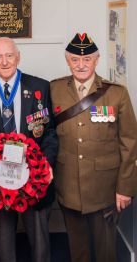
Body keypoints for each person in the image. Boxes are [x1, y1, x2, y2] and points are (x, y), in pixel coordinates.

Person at [50, 32, 137, 262]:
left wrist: (126, 187)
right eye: (75, 60)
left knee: (105, 249)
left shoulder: (116, 93)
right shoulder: (54, 90)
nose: (81, 65)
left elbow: (129, 142)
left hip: (105, 187)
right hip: (68, 183)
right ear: (68, 61)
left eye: (87, 59)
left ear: (96, 60)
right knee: (77, 249)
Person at [0, 37, 58, 262]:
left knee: (39, 240)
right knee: (5, 237)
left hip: (33, 175)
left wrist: (46, 165)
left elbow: (49, 132)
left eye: (9, 55)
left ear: (18, 56)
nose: (5, 61)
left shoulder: (39, 86)